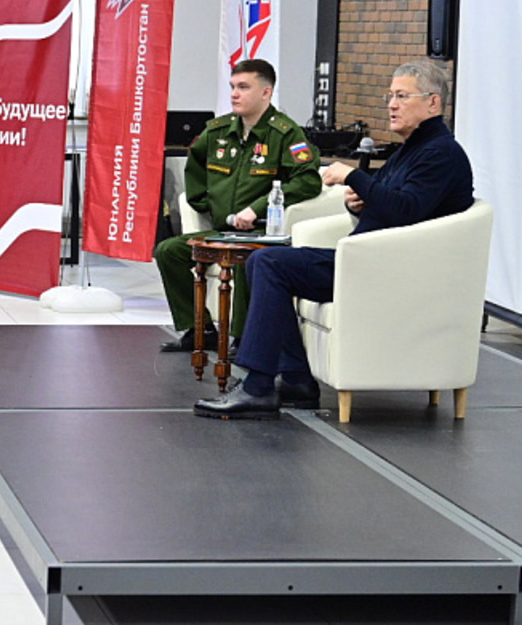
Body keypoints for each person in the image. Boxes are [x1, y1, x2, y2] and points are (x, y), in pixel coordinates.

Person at [195, 59, 475, 420]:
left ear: (433, 103)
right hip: (369, 260)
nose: (391, 104)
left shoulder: (440, 153)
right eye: (390, 95)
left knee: (268, 263)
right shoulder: (411, 148)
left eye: (402, 96)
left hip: (389, 271)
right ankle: (294, 379)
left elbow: (405, 211)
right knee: (267, 261)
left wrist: (355, 179)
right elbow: (394, 210)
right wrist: (360, 205)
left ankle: (259, 387)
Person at [154, 59, 320, 351]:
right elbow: (194, 164)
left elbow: (307, 181)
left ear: (266, 93)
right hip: (222, 231)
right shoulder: (218, 131)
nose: (234, 94)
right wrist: (202, 203)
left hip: (262, 233)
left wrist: (256, 208)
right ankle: (199, 328)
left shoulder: (285, 133)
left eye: (244, 87)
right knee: (169, 251)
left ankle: (245, 338)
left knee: (247, 260)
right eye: (232, 87)